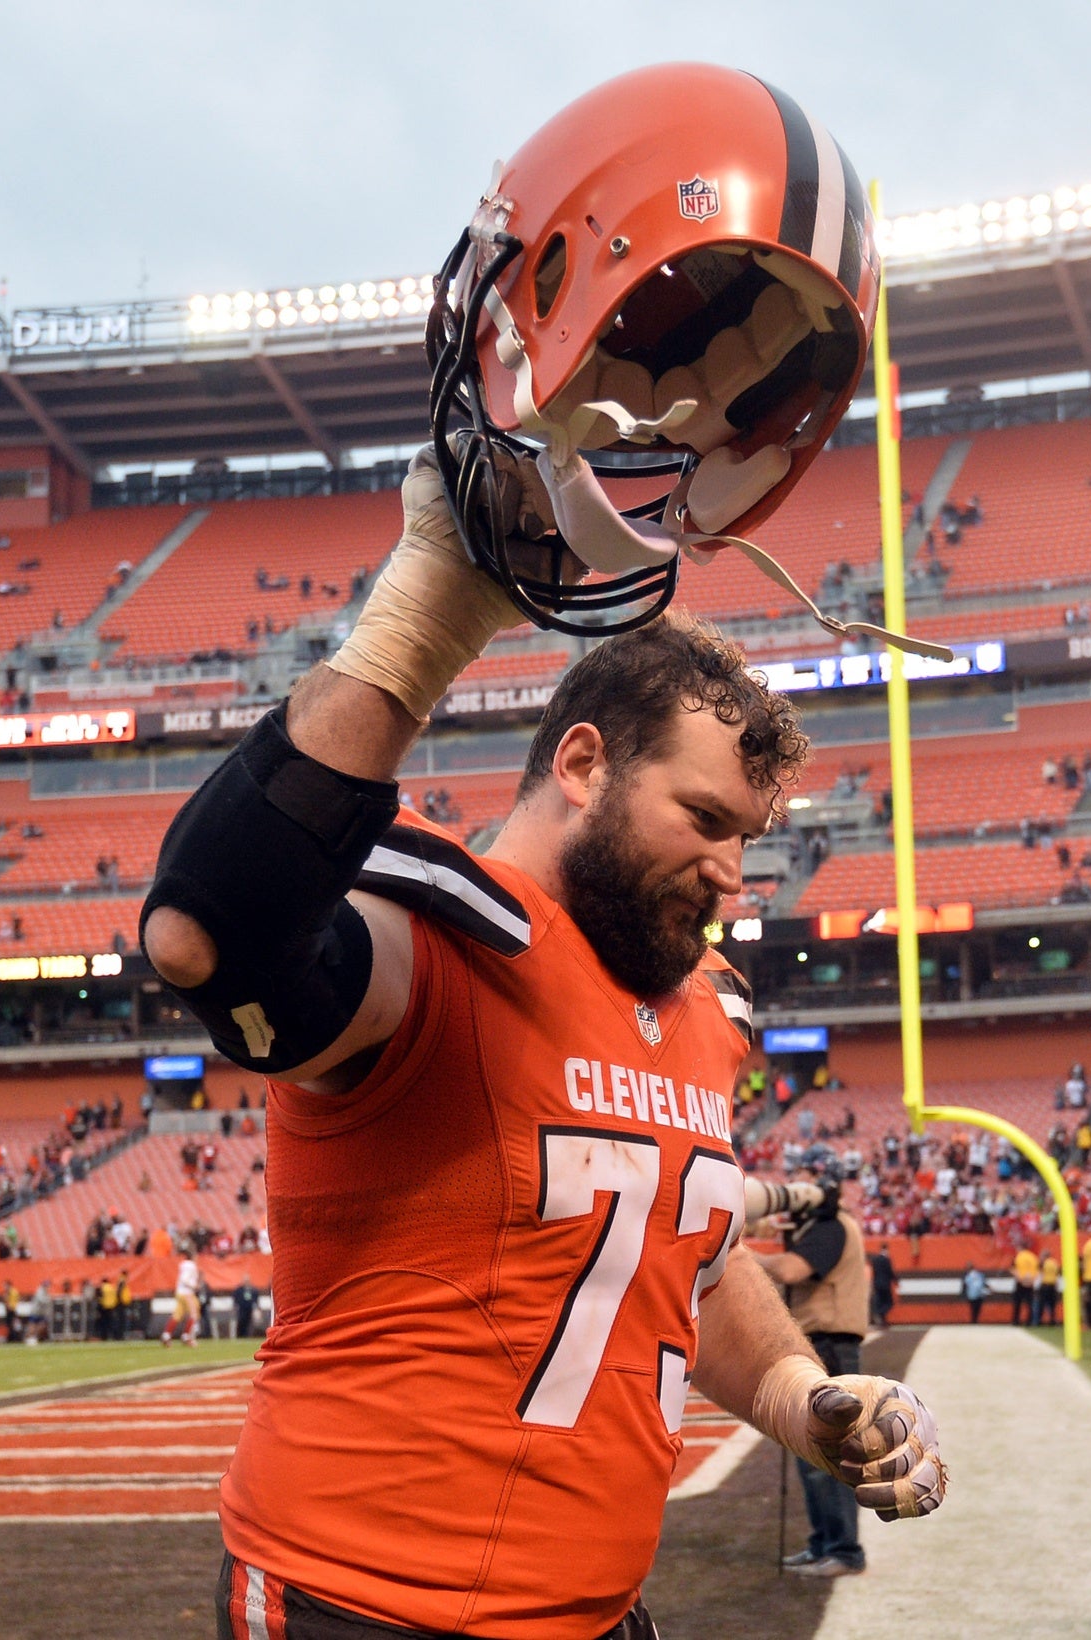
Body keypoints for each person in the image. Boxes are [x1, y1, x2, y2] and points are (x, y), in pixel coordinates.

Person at [141, 586, 948, 1623]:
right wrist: (427, 611)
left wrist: (799, 1393)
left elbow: (674, 1250)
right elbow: (206, 935)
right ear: (581, 764)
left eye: (745, 836)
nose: (730, 873)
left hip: (596, 1606)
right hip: (366, 1605)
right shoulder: (445, 939)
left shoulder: (700, 1009)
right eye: (704, 819)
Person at [761, 1178, 877, 1578]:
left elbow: (792, 1270)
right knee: (810, 1451)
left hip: (830, 1344)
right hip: (821, 1343)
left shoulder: (832, 1227)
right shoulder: (827, 1224)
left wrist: (741, 1258)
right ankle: (824, 1544)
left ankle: (844, 1550)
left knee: (828, 1454)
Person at [165, 1250, 204, 1346]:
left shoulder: (184, 1265)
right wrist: (194, 1286)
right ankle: (187, 1336)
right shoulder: (191, 1266)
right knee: (194, 1312)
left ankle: (166, 1335)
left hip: (180, 1292)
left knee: (178, 1314)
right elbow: (185, 1279)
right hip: (187, 1293)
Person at [866, 1245, 896, 1329]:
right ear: (886, 1250)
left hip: (877, 1283)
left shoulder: (875, 1260)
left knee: (880, 1301)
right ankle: (881, 1313)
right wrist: (895, 1280)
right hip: (885, 1284)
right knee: (889, 1302)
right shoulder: (887, 1260)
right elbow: (889, 1271)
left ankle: (881, 1317)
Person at [1009, 1244, 1039, 1325]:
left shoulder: (1018, 1257)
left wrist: (1021, 1279)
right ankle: (1029, 1321)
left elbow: (1012, 1269)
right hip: (1030, 1283)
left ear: (1020, 1248)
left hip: (1020, 1282)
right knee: (1029, 1303)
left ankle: (1016, 1320)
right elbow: (1038, 1270)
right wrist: (1031, 1280)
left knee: (1017, 1303)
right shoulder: (1033, 1257)